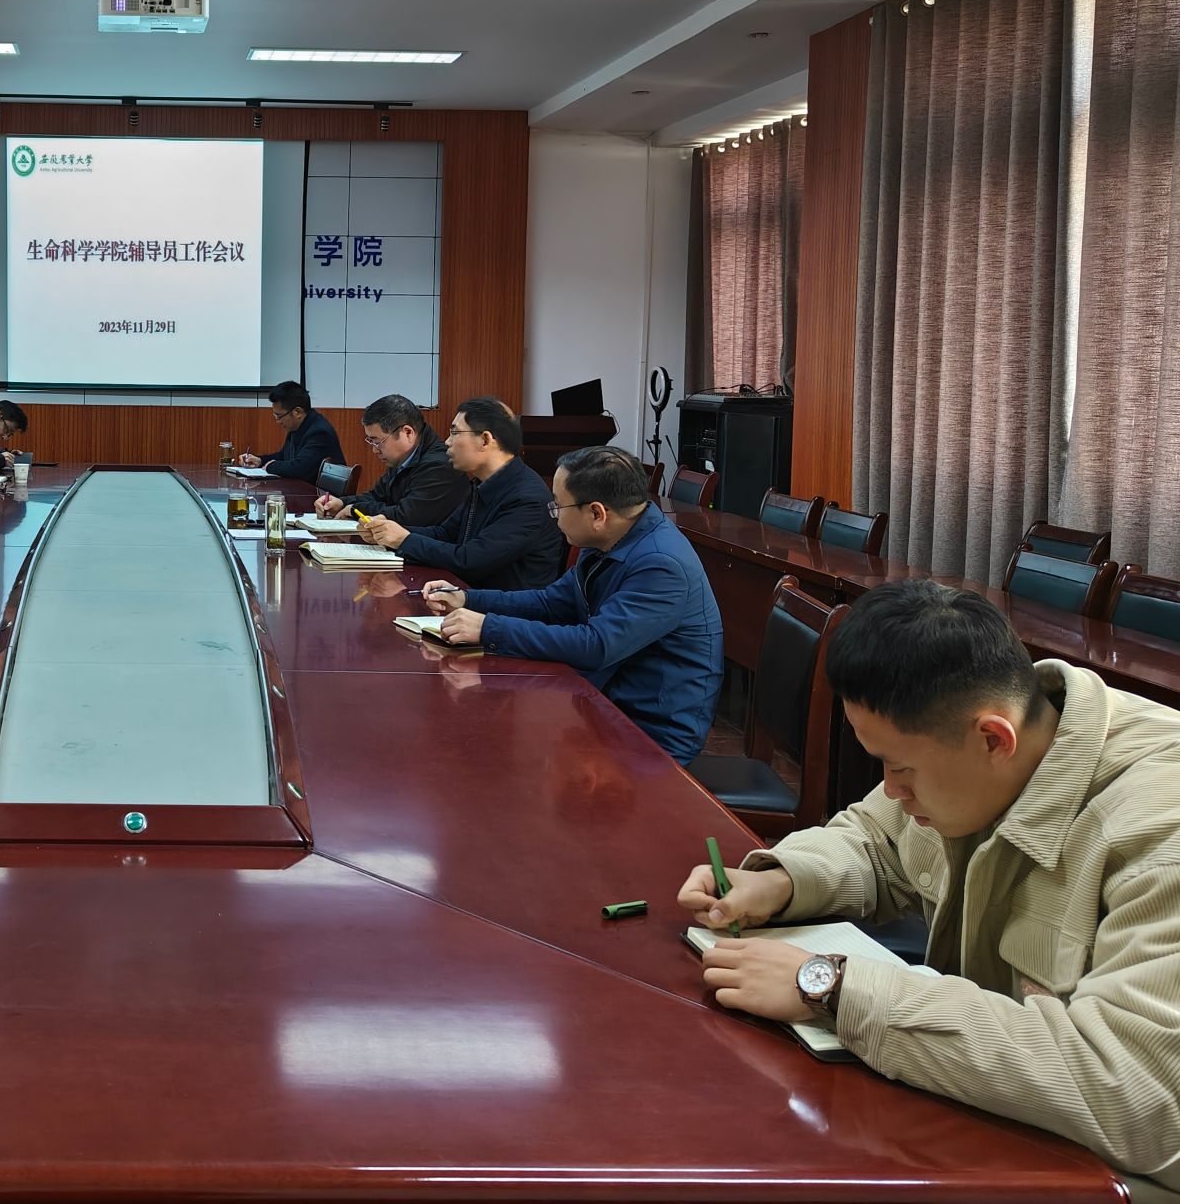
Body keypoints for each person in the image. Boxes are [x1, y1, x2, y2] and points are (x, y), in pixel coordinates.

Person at [679, 581, 1180, 1189]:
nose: (891, 790)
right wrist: (782, 881)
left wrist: (833, 987)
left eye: (901, 769)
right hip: (991, 1128)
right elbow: (876, 837)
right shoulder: (984, 745)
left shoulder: (1160, 831)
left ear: (994, 739)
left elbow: (1137, 1093)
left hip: (1108, 1178)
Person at [424, 445, 721, 763]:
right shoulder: (610, 537)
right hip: (602, 701)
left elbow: (597, 645)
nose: (553, 514)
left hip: (650, 734)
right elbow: (551, 602)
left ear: (597, 514)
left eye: (558, 505)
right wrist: (468, 598)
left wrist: (488, 628)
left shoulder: (661, 565)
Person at [361, 397, 563, 590]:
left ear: (485, 440)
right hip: (466, 596)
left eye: (455, 433)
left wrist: (403, 540)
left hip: (503, 608)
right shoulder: (483, 484)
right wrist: (387, 532)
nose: (447, 442)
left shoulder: (527, 498)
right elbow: (446, 534)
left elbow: (470, 561)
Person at [315, 393, 467, 528]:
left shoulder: (439, 466)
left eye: (377, 442)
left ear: (407, 432)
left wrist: (355, 510)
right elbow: (377, 496)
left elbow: (407, 516)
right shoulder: (403, 457)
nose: (375, 450)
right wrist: (342, 502)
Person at [238, 380, 344, 483]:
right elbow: (283, 456)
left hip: (322, 494)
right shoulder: (298, 426)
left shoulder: (319, 432)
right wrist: (260, 461)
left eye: (279, 416)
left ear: (297, 412)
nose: (278, 422)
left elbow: (300, 468)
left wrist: (271, 466)